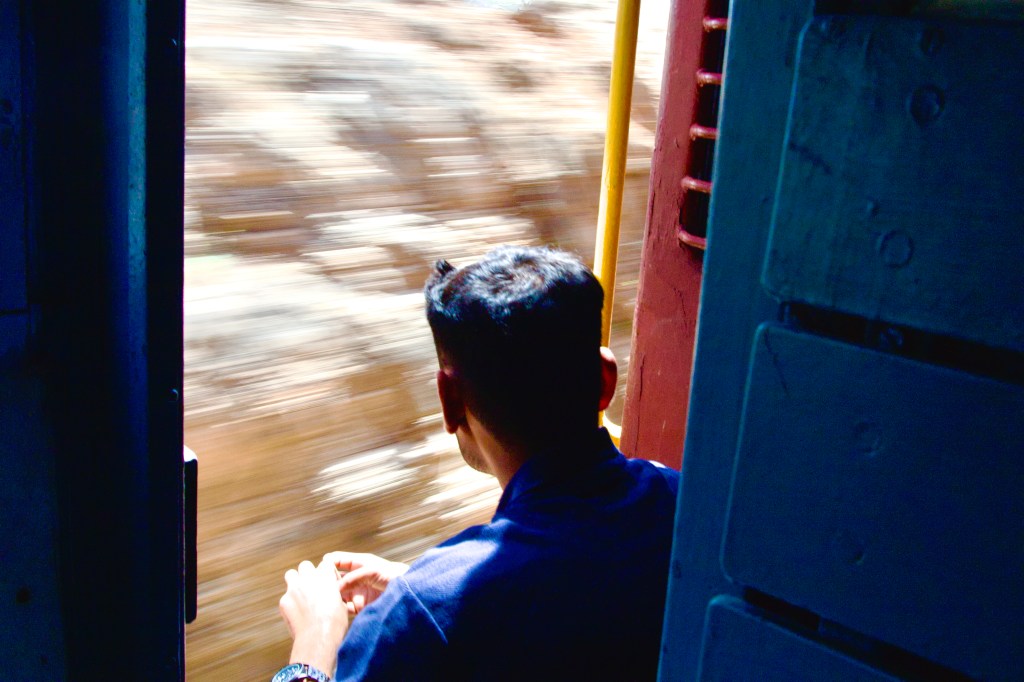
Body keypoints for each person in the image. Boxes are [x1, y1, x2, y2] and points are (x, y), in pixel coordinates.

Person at [275, 245, 680, 682]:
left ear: (449, 401)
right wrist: (435, 593)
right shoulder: (687, 504)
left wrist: (313, 646)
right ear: (606, 380)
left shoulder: (416, 620)